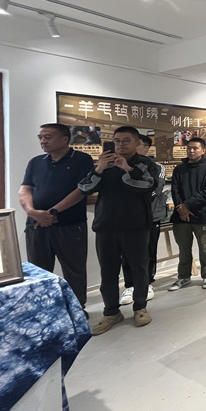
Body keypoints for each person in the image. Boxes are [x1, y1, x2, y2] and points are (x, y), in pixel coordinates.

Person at [79, 126, 157, 335]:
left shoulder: (145, 164)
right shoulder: (104, 164)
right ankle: (111, 312)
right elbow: (84, 188)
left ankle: (140, 307)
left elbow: (148, 186)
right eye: (117, 141)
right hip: (106, 226)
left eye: (126, 140)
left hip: (136, 226)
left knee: (139, 269)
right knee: (108, 271)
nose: (120, 145)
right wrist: (99, 168)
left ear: (137, 143)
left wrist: (127, 169)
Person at [19, 123, 93, 311]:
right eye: (40, 137)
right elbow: (25, 189)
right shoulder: (35, 162)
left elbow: (81, 191)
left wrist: (52, 212)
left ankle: (77, 310)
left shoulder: (82, 159)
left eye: (48, 137)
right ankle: (43, 311)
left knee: (74, 270)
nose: (43, 141)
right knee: (38, 271)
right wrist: (32, 212)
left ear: (65, 139)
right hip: (36, 224)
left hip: (70, 225)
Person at [119, 134, 167, 306]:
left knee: (148, 251)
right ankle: (130, 285)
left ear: (145, 148)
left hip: (150, 215)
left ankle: (147, 283)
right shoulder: (120, 165)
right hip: (125, 217)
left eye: (135, 144)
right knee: (126, 253)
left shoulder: (157, 167)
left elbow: (154, 189)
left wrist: (134, 196)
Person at [167, 137, 206, 291]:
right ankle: (183, 277)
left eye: (195, 148)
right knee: (184, 250)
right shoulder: (179, 169)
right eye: (189, 148)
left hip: (203, 216)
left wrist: (187, 206)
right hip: (181, 217)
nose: (191, 151)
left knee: (205, 248)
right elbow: (175, 191)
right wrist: (181, 208)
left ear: (203, 150)